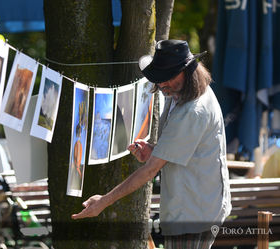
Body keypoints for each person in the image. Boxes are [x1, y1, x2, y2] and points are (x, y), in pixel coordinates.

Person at [71, 40, 232, 249]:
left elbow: (150, 171)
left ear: (189, 71)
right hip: (191, 204)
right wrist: (155, 150)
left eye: (168, 78)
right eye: (160, 79)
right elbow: (183, 149)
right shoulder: (182, 90)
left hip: (195, 211)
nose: (162, 85)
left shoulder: (193, 110)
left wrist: (103, 201)